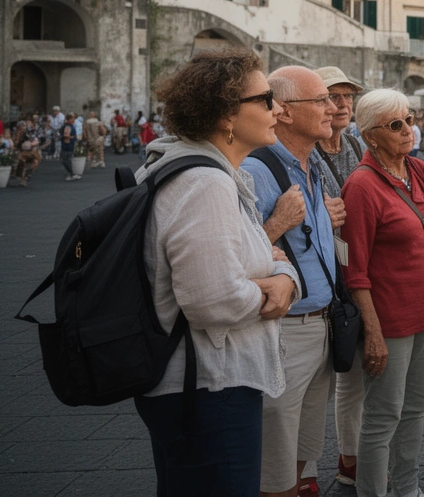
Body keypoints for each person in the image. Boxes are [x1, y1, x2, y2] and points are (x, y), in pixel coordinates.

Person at [134, 48, 300, 496]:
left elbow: (247, 257)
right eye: (265, 99)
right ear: (227, 114)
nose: (278, 109)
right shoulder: (203, 184)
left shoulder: (201, 170)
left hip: (198, 384)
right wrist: (278, 286)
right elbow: (213, 300)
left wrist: (273, 270)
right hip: (209, 387)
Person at [343, 89, 424, 497]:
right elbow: (355, 270)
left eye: (408, 119)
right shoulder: (362, 186)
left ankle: (407, 489)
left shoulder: (418, 170)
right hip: (390, 321)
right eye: (395, 125)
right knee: (383, 416)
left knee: (415, 410)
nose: (409, 130)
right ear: (371, 137)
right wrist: (372, 331)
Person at [241, 67, 342, 497]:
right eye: (320, 100)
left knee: (303, 451)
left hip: (320, 324)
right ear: (283, 112)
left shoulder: (313, 163)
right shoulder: (254, 172)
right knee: (275, 464)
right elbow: (231, 260)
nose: (334, 109)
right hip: (285, 332)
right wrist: (276, 223)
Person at [309, 67, 367, 490]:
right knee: (311, 382)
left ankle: (350, 458)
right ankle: (302, 472)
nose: (343, 104)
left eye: (348, 96)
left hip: (358, 272)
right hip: (318, 277)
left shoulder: (358, 144)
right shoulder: (304, 152)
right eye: (333, 96)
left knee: (352, 373)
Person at [59, 113, 80, 181]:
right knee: (66, 160)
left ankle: (72, 174)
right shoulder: (68, 126)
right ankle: (72, 173)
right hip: (67, 145)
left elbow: (65, 135)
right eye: (72, 119)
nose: (73, 120)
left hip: (68, 145)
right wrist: (73, 137)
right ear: (69, 119)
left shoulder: (69, 126)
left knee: (66, 160)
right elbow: (66, 135)